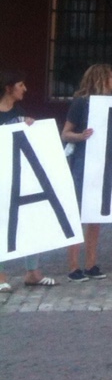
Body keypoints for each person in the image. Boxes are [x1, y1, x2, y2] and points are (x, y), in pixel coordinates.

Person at [0, 70, 56, 290]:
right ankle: (1, 275)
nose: (24, 89)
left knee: (31, 217)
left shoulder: (19, 112)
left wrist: (31, 127)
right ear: (8, 88)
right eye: (20, 85)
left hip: (21, 176)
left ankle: (33, 272)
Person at [61, 63, 112, 281]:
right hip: (83, 162)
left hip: (102, 161)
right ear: (102, 79)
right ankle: (74, 266)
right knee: (78, 213)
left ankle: (91, 264)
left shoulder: (110, 103)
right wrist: (82, 135)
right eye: (111, 77)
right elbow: (66, 133)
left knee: (95, 214)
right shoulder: (81, 102)